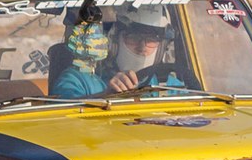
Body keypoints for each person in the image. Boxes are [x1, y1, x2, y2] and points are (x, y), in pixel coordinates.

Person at [50, 6, 186, 98]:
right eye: (134, 37)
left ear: (161, 47)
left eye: (152, 39)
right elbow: (64, 119)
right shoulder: (79, 81)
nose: (142, 47)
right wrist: (106, 96)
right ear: (113, 41)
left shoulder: (168, 85)